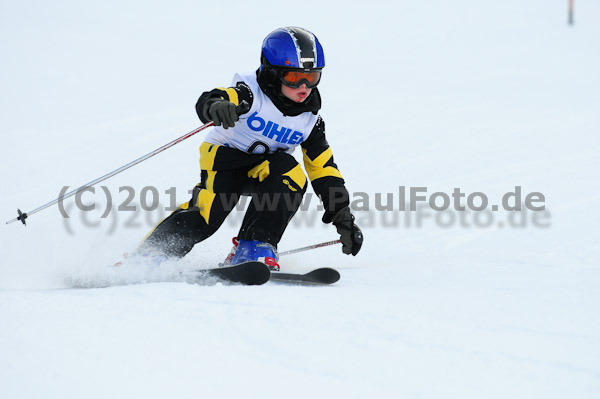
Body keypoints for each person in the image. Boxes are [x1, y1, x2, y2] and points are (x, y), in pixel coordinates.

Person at [138, 26, 363, 270]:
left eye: (312, 78)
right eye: (293, 77)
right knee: (207, 216)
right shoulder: (250, 93)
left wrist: (342, 215)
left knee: (291, 173)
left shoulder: (310, 121)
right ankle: (152, 254)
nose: (303, 87)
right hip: (225, 161)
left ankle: (253, 246)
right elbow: (216, 97)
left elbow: (324, 169)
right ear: (272, 73)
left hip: (267, 171)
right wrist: (215, 106)